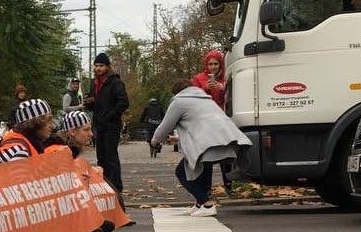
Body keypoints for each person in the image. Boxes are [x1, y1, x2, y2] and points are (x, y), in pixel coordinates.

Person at [151, 78, 252, 217]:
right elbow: (202, 124)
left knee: (182, 173)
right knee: (203, 171)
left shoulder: (179, 101)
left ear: (177, 92)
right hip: (226, 140)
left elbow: (165, 127)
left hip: (206, 144)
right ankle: (200, 204)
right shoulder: (206, 100)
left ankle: (207, 203)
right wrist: (178, 139)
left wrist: (154, 141)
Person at [84, 53, 128, 194]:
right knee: (101, 156)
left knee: (110, 156)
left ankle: (116, 187)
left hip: (111, 124)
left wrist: (109, 115)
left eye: (101, 66)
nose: (98, 68)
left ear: (108, 67)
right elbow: (95, 104)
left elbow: (123, 103)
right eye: (96, 66)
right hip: (98, 124)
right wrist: (89, 103)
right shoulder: (94, 83)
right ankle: (104, 184)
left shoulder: (116, 83)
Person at [190, 51, 233, 193]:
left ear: (221, 64)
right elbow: (193, 98)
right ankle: (207, 188)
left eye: (216, 64)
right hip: (205, 121)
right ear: (206, 65)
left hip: (223, 120)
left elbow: (234, 96)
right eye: (210, 64)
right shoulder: (198, 78)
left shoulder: (227, 77)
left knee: (225, 153)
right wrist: (204, 89)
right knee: (207, 155)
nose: (213, 67)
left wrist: (225, 89)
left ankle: (229, 185)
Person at [0, 98, 55, 163]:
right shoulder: (19, 151)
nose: (53, 126)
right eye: (48, 121)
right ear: (35, 123)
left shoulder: (26, 144)